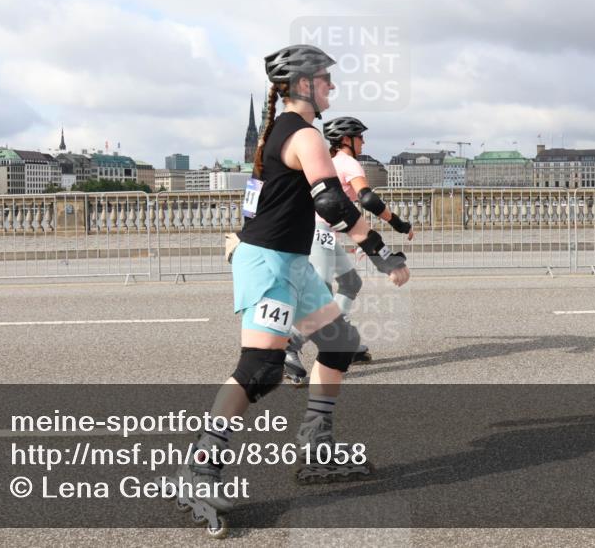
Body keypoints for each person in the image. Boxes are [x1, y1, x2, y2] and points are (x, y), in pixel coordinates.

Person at [171, 44, 410, 538]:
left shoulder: (282, 131)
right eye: (325, 78)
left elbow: (275, 201)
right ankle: (200, 467)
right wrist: (382, 251)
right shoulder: (303, 134)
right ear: (303, 84)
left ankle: (315, 446)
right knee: (260, 369)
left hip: (291, 263)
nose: (332, 86)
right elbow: (330, 201)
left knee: (340, 343)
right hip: (272, 267)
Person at [283, 116, 416, 386]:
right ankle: (290, 345)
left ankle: (341, 337)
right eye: (359, 136)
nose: (364, 141)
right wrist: (399, 223)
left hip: (319, 233)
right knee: (320, 298)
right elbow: (367, 198)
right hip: (318, 235)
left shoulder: (326, 162)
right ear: (347, 140)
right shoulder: (348, 162)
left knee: (350, 282)